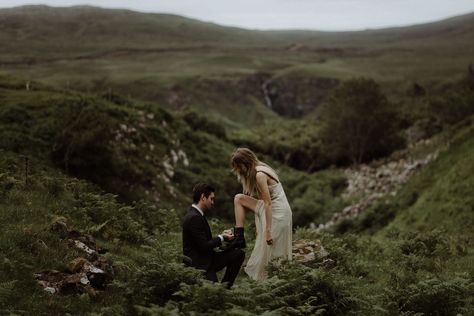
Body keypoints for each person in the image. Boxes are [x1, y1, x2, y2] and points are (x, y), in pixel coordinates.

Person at [230, 148, 293, 280]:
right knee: (239, 198)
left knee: (272, 254)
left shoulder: (259, 175)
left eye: (239, 167)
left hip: (278, 213)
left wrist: (268, 230)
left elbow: (268, 203)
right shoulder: (260, 167)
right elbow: (261, 201)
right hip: (271, 209)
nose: (239, 171)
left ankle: (275, 285)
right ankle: (239, 237)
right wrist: (259, 228)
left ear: (245, 163)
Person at [182, 183, 245, 288]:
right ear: (203, 197)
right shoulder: (194, 217)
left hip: (209, 259)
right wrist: (222, 238)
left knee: (238, 254)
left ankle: (226, 288)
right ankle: (223, 291)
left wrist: (222, 237)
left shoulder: (197, 215)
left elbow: (202, 240)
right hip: (199, 265)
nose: (213, 202)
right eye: (211, 199)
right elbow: (203, 246)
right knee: (214, 296)